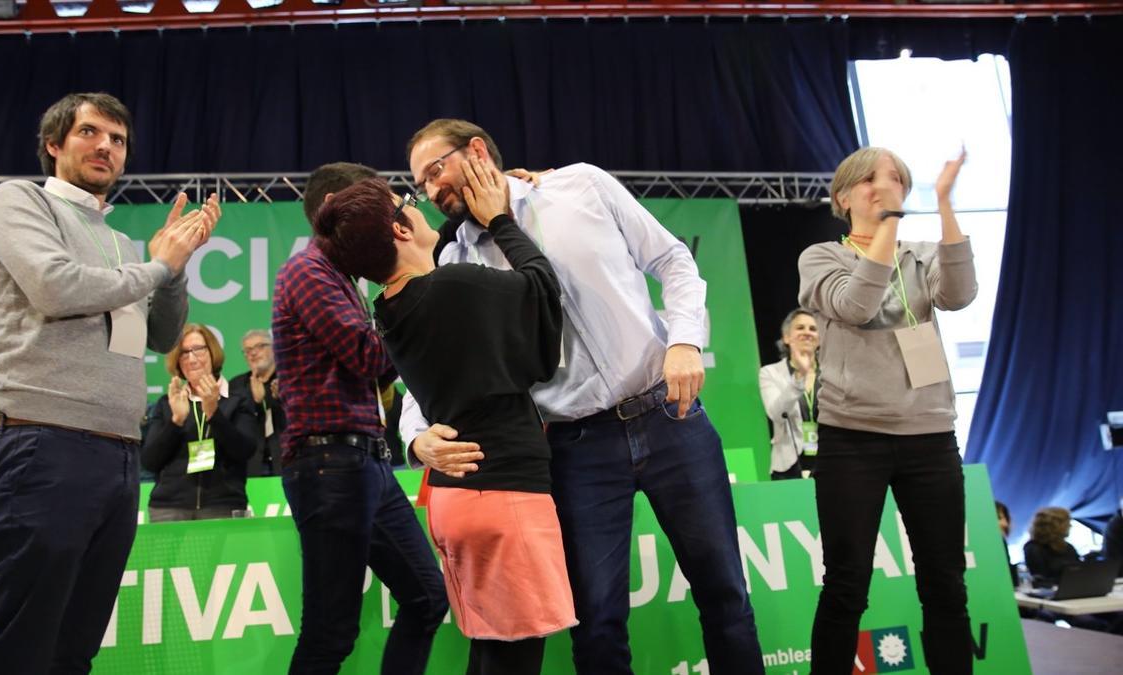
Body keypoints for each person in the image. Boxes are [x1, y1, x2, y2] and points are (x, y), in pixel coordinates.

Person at [403, 119, 763, 674]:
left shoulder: (581, 186)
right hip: (575, 447)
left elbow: (673, 261)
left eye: (435, 170)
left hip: (669, 415)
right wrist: (415, 436)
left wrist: (686, 340)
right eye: (420, 184)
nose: (430, 191)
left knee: (726, 597)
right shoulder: (457, 265)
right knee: (596, 623)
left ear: (476, 150)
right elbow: (426, 372)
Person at [0, 91, 219, 673]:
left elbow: (162, 336)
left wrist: (173, 268)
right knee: (18, 653)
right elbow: (56, 288)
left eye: (118, 139)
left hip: (118, 456)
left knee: (73, 653)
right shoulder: (19, 201)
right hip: (42, 445)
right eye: (90, 133)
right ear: (54, 145)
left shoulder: (120, 243)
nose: (106, 145)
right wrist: (157, 265)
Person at [324, 164, 573, 675]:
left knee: (489, 651)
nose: (418, 203)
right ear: (400, 228)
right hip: (504, 493)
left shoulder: (388, 309)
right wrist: (501, 220)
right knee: (517, 657)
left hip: (457, 498)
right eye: (406, 201)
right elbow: (545, 295)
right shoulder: (453, 286)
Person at [798, 146, 976, 673]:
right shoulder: (820, 257)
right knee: (847, 583)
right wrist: (887, 229)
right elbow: (856, 305)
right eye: (871, 180)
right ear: (843, 197)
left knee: (945, 582)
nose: (885, 186)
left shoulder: (920, 253)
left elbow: (961, 295)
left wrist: (944, 204)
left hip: (930, 437)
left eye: (895, 179)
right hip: (853, 439)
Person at [273, 165, 448, 674]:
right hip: (330, 463)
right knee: (331, 632)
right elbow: (371, 358)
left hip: (368, 462)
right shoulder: (307, 271)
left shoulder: (344, 278)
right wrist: (407, 286)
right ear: (335, 204)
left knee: (426, 597)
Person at [142, 324, 260, 520]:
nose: (191, 358)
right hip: (169, 509)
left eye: (198, 349)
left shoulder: (238, 400)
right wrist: (176, 421)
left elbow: (244, 451)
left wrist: (214, 413)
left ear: (212, 352)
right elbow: (150, 461)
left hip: (222, 505)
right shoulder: (168, 403)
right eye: (184, 352)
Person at [758, 307, 820, 479]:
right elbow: (776, 414)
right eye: (800, 328)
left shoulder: (831, 372)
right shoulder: (770, 373)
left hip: (830, 460)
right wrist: (799, 376)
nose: (807, 333)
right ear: (786, 337)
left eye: (813, 329)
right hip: (789, 466)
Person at [229, 328, 286, 477]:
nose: (253, 353)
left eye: (260, 346)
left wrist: (282, 399)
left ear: (274, 348)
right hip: (251, 464)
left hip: (287, 458)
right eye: (248, 350)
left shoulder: (288, 379)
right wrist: (255, 403)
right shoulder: (236, 386)